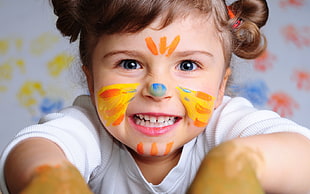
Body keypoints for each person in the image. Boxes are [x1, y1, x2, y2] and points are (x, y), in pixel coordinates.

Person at [1, 0, 310, 193]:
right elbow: (36, 148)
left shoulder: (224, 128)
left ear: (220, 88)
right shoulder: (91, 129)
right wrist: (50, 176)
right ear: (91, 78)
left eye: (188, 65)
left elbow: (302, 156)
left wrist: (235, 163)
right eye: (130, 63)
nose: (157, 88)